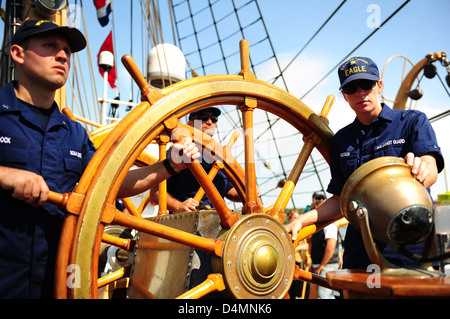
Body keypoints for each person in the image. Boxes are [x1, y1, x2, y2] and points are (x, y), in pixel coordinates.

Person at [0, 20, 199, 298]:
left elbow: (111, 184)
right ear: (18, 54)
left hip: (59, 280)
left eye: (67, 51)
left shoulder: (75, 134)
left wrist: (169, 165)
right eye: (50, 46)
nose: (62, 56)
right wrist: (6, 175)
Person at [287, 56, 444, 271]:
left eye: (367, 84)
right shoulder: (341, 141)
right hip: (360, 252)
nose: (360, 92)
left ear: (379, 85)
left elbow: (431, 167)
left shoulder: (412, 122)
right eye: (352, 88)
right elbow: (341, 199)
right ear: (344, 95)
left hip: (409, 245)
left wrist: (422, 169)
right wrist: (301, 221)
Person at [150, 107, 240, 212]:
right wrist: (178, 206)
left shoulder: (220, 155)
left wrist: (249, 192)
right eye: (203, 117)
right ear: (190, 124)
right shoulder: (177, 153)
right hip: (187, 221)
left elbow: (230, 192)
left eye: (214, 118)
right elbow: (155, 192)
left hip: (220, 220)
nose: (210, 121)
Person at [308, 192, 339, 299]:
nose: (320, 200)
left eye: (322, 198)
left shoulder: (329, 225)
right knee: (321, 295)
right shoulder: (315, 226)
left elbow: (331, 246)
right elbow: (311, 244)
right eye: (317, 198)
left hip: (327, 265)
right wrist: (313, 264)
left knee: (324, 296)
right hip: (318, 265)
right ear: (313, 200)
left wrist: (322, 265)